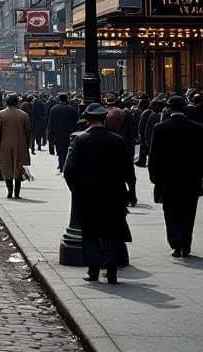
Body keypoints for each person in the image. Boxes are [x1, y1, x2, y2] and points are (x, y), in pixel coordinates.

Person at [63, 103, 134, 285]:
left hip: (88, 196)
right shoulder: (117, 140)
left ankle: (93, 269)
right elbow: (128, 168)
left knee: (90, 233)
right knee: (112, 232)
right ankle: (111, 270)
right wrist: (131, 191)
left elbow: (69, 171)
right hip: (114, 195)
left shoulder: (81, 140)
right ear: (104, 119)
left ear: (87, 119)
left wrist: (76, 190)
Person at [149, 94, 203, 257]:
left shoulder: (160, 128)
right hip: (191, 179)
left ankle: (176, 244)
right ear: (184, 108)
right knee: (188, 213)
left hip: (168, 180)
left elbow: (154, 156)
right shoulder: (197, 128)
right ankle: (186, 243)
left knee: (171, 212)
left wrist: (154, 177)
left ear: (169, 108)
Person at [0, 94, 33, 198]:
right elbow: (28, 132)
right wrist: (28, 144)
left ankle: (9, 191)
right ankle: (17, 193)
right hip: (20, 145)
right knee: (18, 169)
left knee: (7, 169)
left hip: (5, 145)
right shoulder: (24, 115)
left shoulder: (1, 114)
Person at [47, 92, 79, 171]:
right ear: (66, 99)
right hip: (69, 133)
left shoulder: (54, 109)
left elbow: (50, 123)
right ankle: (64, 163)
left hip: (57, 133)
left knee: (59, 149)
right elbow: (76, 122)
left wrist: (50, 134)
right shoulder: (71, 109)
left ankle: (61, 164)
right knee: (66, 149)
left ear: (59, 99)